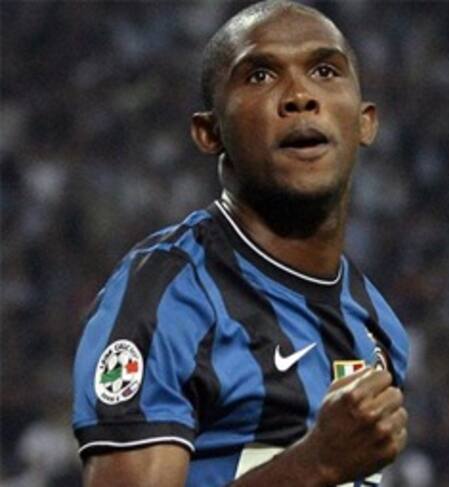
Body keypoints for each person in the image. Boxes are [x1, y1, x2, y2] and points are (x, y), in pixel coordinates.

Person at [72, 1, 410, 486]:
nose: (299, 96)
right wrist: (316, 464)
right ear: (209, 132)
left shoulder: (377, 324)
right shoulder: (169, 295)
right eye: (260, 76)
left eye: (324, 71)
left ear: (365, 122)